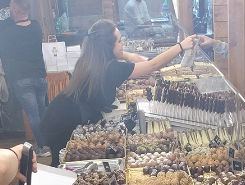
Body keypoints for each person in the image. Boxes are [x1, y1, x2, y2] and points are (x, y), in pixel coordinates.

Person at [40, 21, 197, 164]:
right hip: (64, 122)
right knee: (64, 165)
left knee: (65, 161)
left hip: (59, 114)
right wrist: (180, 46)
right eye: (120, 41)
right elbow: (152, 65)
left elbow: (140, 61)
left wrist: (125, 54)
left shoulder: (91, 60)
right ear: (108, 46)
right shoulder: (111, 68)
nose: (123, 45)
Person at [0, 0, 49, 154]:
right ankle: (48, 143)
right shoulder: (36, 26)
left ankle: (43, 147)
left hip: (21, 78)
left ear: (16, 10)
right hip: (40, 75)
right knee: (43, 111)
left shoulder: (9, 32)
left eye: (11, 7)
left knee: (33, 114)